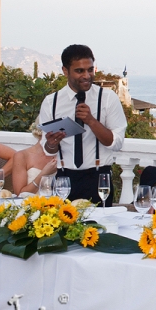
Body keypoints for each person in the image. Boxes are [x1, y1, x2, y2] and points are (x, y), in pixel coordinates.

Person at [39, 44, 126, 205]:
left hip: (99, 178)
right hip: (64, 179)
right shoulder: (52, 102)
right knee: (64, 228)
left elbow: (116, 143)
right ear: (65, 71)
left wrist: (91, 121)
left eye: (90, 70)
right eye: (79, 71)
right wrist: (52, 143)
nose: (86, 75)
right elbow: (47, 148)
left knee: (98, 229)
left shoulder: (107, 98)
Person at [10, 125, 58, 195]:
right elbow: (19, 194)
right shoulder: (22, 155)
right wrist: (43, 174)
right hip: (30, 204)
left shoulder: (64, 156)